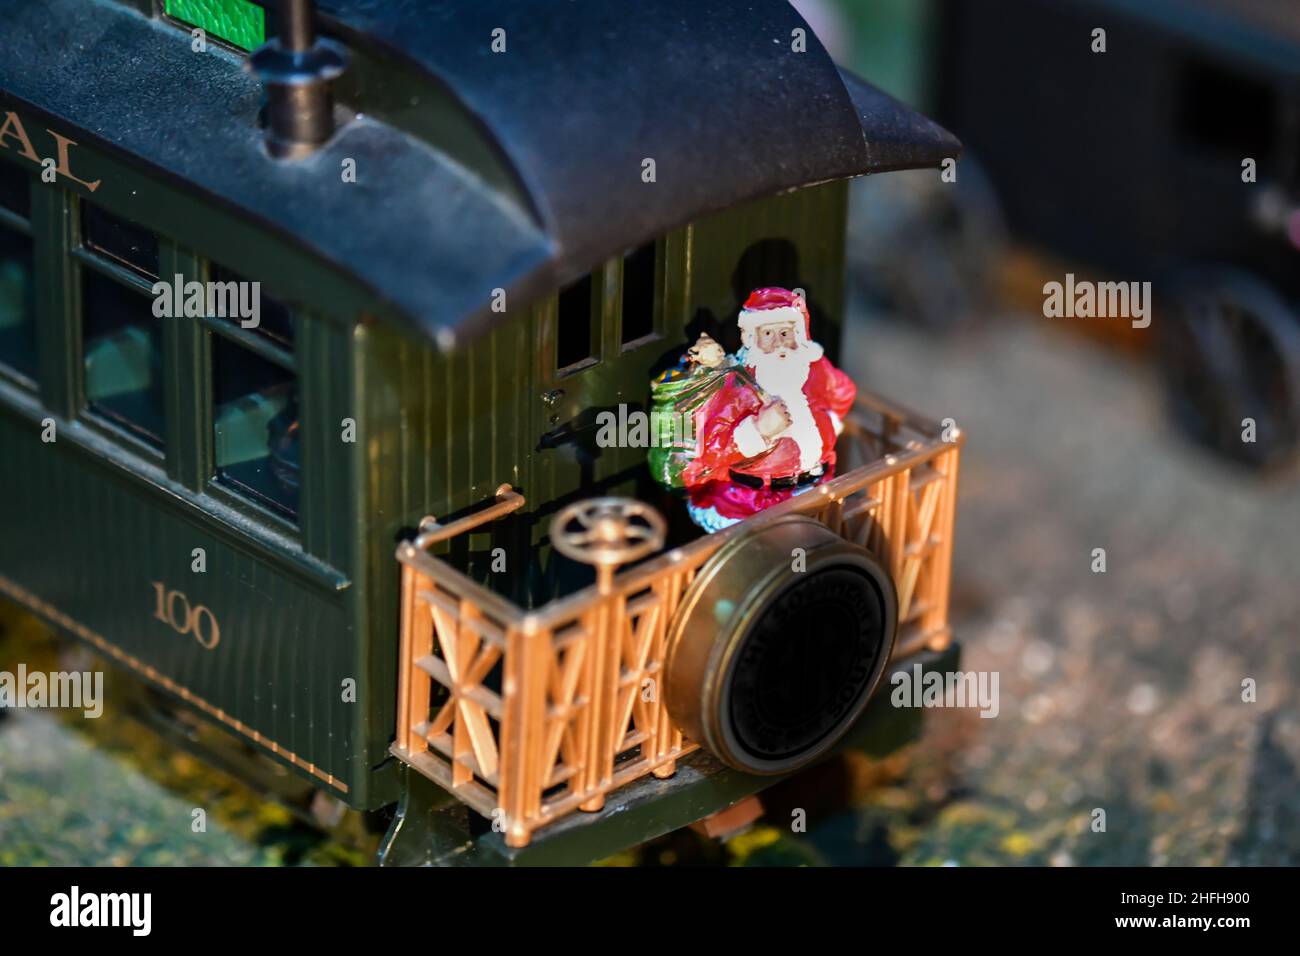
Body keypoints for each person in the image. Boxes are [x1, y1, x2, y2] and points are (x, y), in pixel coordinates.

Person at [679, 287, 856, 531]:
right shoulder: (737, 384)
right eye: (768, 333)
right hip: (753, 505)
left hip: (816, 489)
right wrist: (759, 430)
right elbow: (711, 448)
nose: (778, 343)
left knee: (814, 556)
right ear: (752, 337)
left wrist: (829, 422)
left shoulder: (814, 368)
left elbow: (843, 392)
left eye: (785, 332)